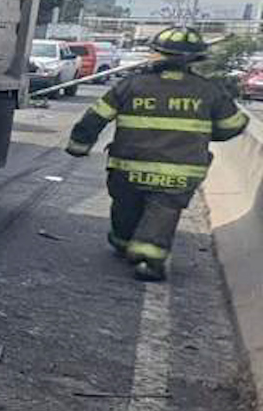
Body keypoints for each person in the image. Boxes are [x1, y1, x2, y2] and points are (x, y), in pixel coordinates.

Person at [66, 25, 249, 281]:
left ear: (157, 55)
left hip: (128, 168)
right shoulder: (208, 91)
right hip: (180, 172)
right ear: (194, 60)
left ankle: (123, 242)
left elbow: (96, 116)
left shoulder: (132, 85)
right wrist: (205, 134)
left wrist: (78, 146)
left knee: (125, 207)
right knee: (163, 213)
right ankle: (149, 261)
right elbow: (234, 125)